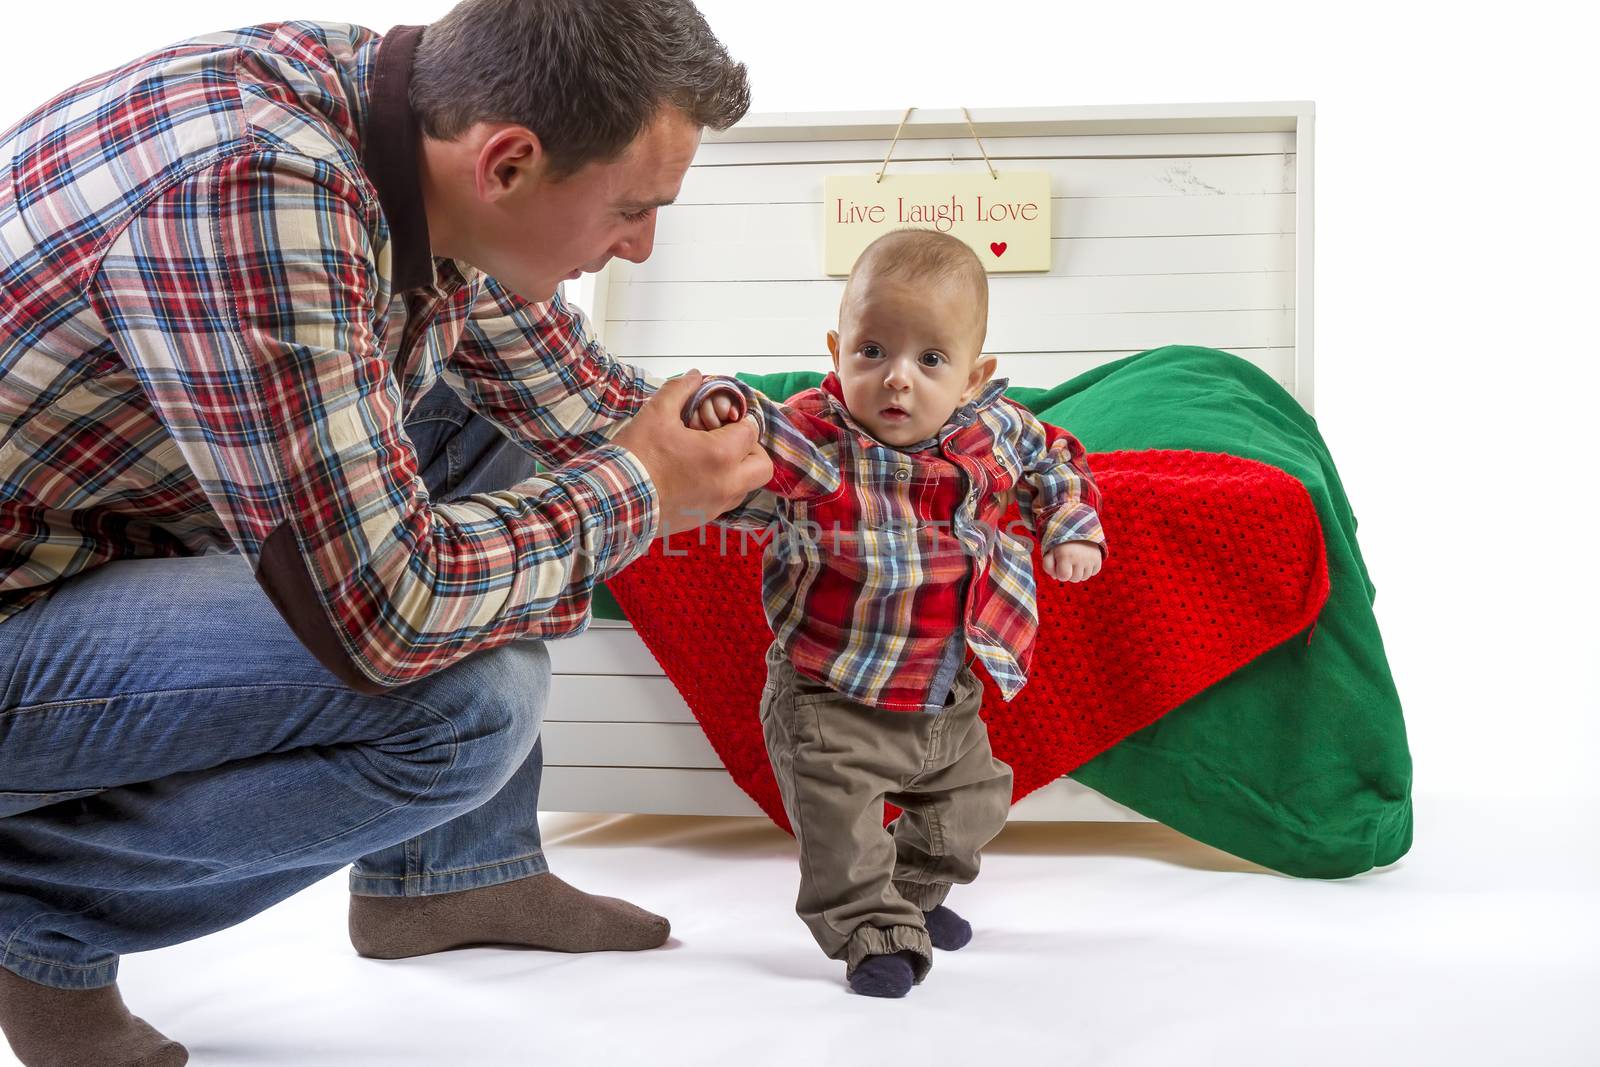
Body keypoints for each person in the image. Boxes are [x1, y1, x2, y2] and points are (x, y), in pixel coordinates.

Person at [0, 3, 772, 1065]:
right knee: (464, 701)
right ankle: (35, 920)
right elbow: (384, 615)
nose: (640, 245)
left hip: (82, 538)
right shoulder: (257, 189)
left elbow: (588, 405)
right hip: (19, 603)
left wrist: (846, 459)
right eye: (635, 208)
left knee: (473, 417)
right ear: (509, 162)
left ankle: (449, 877)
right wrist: (639, 487)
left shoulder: (402, 118)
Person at [684, 229, 1107, 998]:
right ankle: (872, 928)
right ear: (836, 349)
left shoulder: (995, 430)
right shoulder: (824, 437)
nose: (896, 381)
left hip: (945, 692)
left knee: (973, 805)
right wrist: (723, 406)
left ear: (974, 375)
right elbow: (761, 430)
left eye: (930, 360)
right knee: (840, 829)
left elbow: (1058, 456)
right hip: (831, 696)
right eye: (871, 350)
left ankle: (912, 893)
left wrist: (1069, 524)